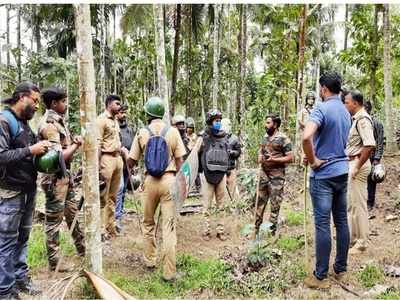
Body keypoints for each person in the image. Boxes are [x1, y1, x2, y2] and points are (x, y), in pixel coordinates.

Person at [127, 96, 186, 282]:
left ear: (148, 114)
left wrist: (125, 155)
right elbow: (180, 161)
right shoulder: (174, 132)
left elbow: (131, 161)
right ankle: (169, 272)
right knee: (168, 228)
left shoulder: (142, 132)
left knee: (148, 223)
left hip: (149, 182)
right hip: (169, 181)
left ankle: (150, 261)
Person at [302, 71, 351, 289]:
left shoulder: (321, 108)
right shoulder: (345, 109)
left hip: (323, 175)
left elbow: (306, 137)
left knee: (322, 224)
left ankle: (320, 276)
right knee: (341, 221)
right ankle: (340, 269)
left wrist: (313, 160)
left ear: (323, 89)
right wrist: (313, 153)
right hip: (342, 171)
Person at [0, 82, 47, 298]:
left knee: (22, 238)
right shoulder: (4, 120)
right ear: (21, 97)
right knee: (7, 241)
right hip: (10, 192)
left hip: (28, 189)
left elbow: (32, 154)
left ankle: (20, 279)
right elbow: (1, 156)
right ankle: (5, 291)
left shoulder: (25, 124)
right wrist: (31, 150)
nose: (37, 105)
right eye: (34, 100)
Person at [37, 87, 85, 272]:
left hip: (65, 177)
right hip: (55, 180)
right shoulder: (50, 124)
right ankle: (54, 262)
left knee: (73, 214)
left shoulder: (59, 122)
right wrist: (75, 145)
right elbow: (58, 157)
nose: (66, 104)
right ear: (54, 104)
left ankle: (82, 250)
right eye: (63, 101)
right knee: (53, 221)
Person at [344, 91, 375, 255]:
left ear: (355, 103)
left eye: (347, 102)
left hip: (358, 164)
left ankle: (362, 242)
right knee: (353, 205)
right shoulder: (356, 119)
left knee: (359, 205)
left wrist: (356, 166)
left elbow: (369, 145)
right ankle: (355, 239)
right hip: (353, 161)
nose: (345, 105)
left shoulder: (362, 119)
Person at [255, 114, 293, 237]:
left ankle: (271, 233)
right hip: (263, 174)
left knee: (275, 204)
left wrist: (275, 160)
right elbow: (260, 151)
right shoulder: (264, 137)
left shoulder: (283, 139)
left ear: (275, 125)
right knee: (259, 202)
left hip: (277, 176)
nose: (265, 125)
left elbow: (291, 158)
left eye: (268, 123)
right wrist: (259, 156)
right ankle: (255, 231)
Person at [96, 95, 125, 240]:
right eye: (117, 103)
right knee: (103, 195)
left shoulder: (115, 121)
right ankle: (101, 229)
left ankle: (110, 225)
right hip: (106, 159)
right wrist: (97, 166)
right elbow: (98, 144)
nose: (120, 106)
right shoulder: (101, 120)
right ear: (109, 104)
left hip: (117, 158)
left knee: (114, 195)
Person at [198, 109, 229, 241]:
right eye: (216, 121)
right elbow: (196, 154)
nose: (218, 123)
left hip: (221, 174)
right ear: (210, 122)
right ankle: (206, 231)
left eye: (219, 121)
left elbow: (228, 155)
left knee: (221, 206)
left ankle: (220, 231)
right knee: (207, 206)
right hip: (207, 174)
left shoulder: (224, 137)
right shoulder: (203, 137)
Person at [115, 104, 135, 232]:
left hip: (127, 164)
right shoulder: (114, 128)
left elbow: (133, 147)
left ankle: (120, 215)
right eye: (121, 112)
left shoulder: (129, 130)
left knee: (123, 193)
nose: (124, 115)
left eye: (125, 112)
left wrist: (133, 164)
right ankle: (116, 218)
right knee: (119, 189)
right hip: (116, 163)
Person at [364, 101, 384, 212]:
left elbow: (380, 142)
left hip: (372, 156)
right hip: (361, 155)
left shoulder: (377, 123)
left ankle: (370, 203)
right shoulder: (358, 122)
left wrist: (377, 158)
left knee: (372, 180)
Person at [221, 118, 241, 201]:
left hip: (231, 168)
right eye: (224, 125)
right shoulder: (218, 138)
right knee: (221, 192)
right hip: (220, 169)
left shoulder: (234, 138)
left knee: (233, 191)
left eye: (228, 125)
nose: (226, 127)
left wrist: (232, 152)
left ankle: (236, 207)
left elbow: (239, 152)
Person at [186, 117, 201, 193]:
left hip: (194, 156)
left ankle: (199, 187)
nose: (189, 129)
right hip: (186, 156)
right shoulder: (185, 136)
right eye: (188, 128)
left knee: (196, 172)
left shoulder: (195, 136)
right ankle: (187, 188)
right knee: (186, 172)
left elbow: (196, 146)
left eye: (191, 128)